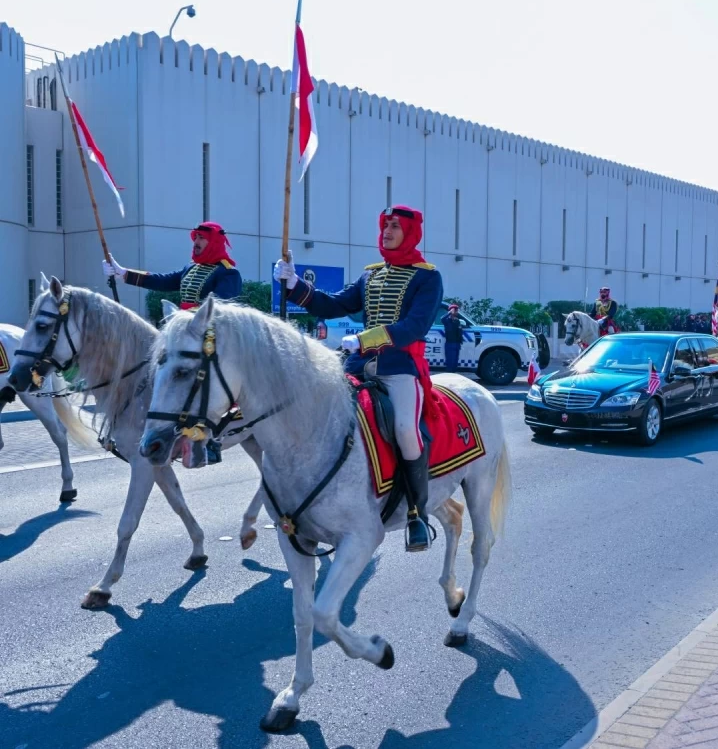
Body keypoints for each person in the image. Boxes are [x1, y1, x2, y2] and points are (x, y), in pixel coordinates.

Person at [274, 206, 442, 552]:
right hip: (357, 365)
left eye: (395, 226)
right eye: (385, 225)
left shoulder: (428, 277)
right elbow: (332, 305)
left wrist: (365, 339)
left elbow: (415, 327)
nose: (387, 231)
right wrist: (294, 285)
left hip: (399, 366)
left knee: (406, 432)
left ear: (410, 232)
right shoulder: (371, 275)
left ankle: (417, 513)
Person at [103, 222, 242, 310]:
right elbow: (163, 281)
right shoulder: (191, 268)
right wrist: (123, 273)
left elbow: (219, 309)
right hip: (184, 325)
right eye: (196, 237)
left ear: (214, 243)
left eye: (201, 238)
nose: (196, 242)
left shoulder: (228, 273)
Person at [441, 303, 464, 371]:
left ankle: (454, 374)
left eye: (456, 310)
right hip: (450, 343)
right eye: (455, 310)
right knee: (450, 361)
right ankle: (449, 375)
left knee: (455, 362)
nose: (457, 312)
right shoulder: (447, 320)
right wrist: (449, 312)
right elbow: (442, 318)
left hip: (457, 344)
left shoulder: (457, 321)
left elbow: (459, 331)